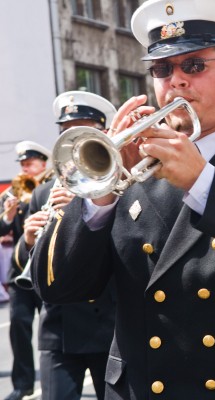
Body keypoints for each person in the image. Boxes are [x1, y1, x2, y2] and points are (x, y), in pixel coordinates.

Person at [30, 0, 215, 398]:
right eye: (161, 69)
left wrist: (203, 181)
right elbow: (57, 287)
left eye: (193, 65)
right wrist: (100, 195)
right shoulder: (128, 171)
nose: (176, 80)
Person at [13, 91, 118, 400]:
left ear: (103, 133)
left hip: (107, 322)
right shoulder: (43, 191)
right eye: (67, 132)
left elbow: (124, 244)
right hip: (58, 327)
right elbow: (29, 261)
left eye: (83, 130)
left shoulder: (117, 186)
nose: (75, 139)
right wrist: (29, 240)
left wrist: (81, 208)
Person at [0, 141, 50, 400]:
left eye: (29, 163)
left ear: (43, 163)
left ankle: (55, 379)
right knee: (19, 325)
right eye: (22, 164)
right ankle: (23, 384)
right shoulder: (14, 192)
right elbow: (1, 228)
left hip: (47, 268)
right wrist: (8, 216)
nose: (25, 168)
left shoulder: (53, 186)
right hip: (20, 270)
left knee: (52, 328)